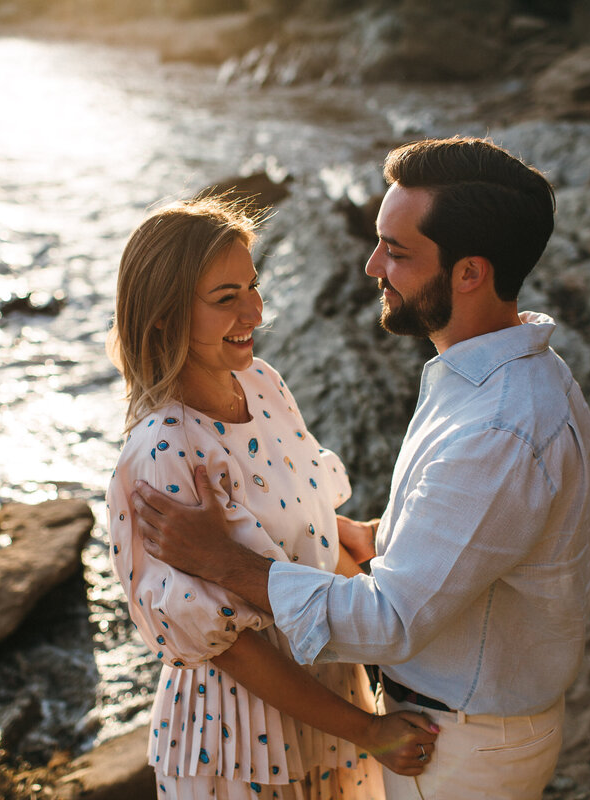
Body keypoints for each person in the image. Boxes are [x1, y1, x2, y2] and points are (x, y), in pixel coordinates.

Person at [131, 137, 590, 800]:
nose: (371, 265)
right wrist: (357, 536)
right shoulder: (497, 376)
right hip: (446, 726)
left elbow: (390, 622)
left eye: (397, 251)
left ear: (469, 273)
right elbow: (473, 540)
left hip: (458, 746)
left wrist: (225, 561)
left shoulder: (498, 427)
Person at [105, 197, 439, 800]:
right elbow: (227, 644)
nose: (254, 311)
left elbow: (306, 534)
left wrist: (380, 572)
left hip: (332, 697)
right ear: (162, 317)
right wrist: (368, 730)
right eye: (225, 297)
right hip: (242, 738)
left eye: (253, 286)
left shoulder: (262, 384)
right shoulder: (164, 450)